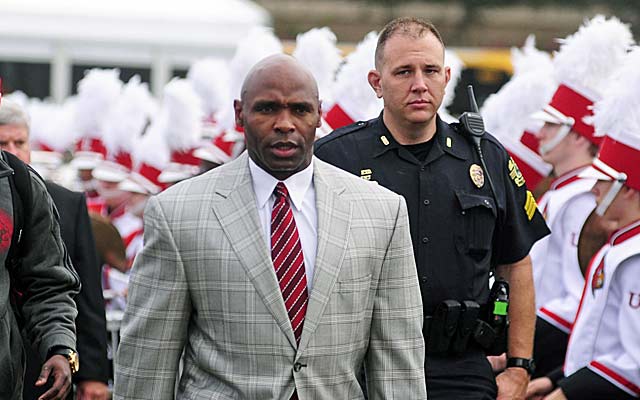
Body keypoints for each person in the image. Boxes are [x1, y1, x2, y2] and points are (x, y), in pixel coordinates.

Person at [114, 54, 427, 399]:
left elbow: (398, 362)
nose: (284, 123)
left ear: (319, 114)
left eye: (300, 110)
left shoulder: (381, 212)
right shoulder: (177, 214)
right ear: (239, 113)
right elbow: (148, 360)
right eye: (267, 109)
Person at [315, 17, 549, 400]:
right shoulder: (335, 158)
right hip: (363, 366)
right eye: (404, 71)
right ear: (377, 82)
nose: (419, 84)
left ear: (447, 77)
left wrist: (520, 368)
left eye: (430, 71)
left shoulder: (486, 157)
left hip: (461, 367)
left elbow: (516, 261)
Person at [527, 48, 640, 400]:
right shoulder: (619, 243)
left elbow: (631, 359)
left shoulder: (631, 252)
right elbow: (595, 331)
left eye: (604, 181)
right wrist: (558, 381)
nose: (593, 189)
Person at [0, 99, 110, 400]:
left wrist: (73, 358)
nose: (12, 148)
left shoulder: (33, 191)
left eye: (19, 141)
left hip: (28, 368)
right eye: (4, 140)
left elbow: (65, 287)